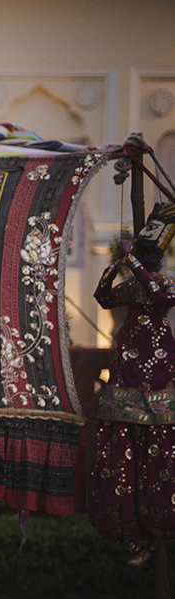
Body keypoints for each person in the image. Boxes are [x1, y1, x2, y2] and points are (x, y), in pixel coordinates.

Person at [91, 203, 175, 564]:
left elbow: (161, 297)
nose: (145, 259)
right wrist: (115, 267)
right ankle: (128, 529)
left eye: (149, 254)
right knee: (123, 442)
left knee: (158, 444)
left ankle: (154, 525)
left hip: (157, 365)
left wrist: (135, 265)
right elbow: (104, 297)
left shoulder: (166, 282)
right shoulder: (134, 283)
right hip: (128, 363)